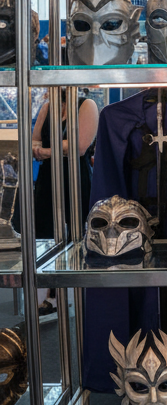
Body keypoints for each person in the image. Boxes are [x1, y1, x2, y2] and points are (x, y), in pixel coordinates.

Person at [28, 92, 98, 314]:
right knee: (47, 234)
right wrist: (47, 150)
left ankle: (79, 292)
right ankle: (52, 295)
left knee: (77, 235)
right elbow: (34, 142)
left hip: (76, 179)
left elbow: (79, 147)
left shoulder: (86, 105)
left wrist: (46, 151)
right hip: (48, 180)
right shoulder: (48, 108)